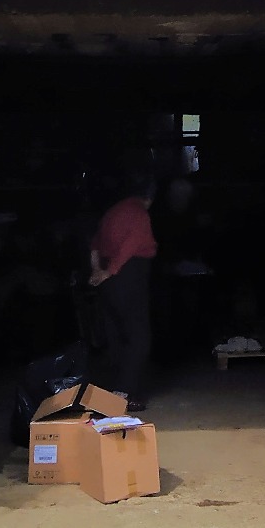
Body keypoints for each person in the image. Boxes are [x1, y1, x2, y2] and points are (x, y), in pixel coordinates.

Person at [89, 172, 158, 409]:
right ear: (149, 198)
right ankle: (125, 393)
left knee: (116, 333)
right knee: (138, 336)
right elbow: (132, 244)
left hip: (109, 276)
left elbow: (95, 243)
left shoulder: (112, 212)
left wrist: (98, 270)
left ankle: (117, 389)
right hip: (128, 273)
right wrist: (112, 270)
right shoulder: (139, 213)